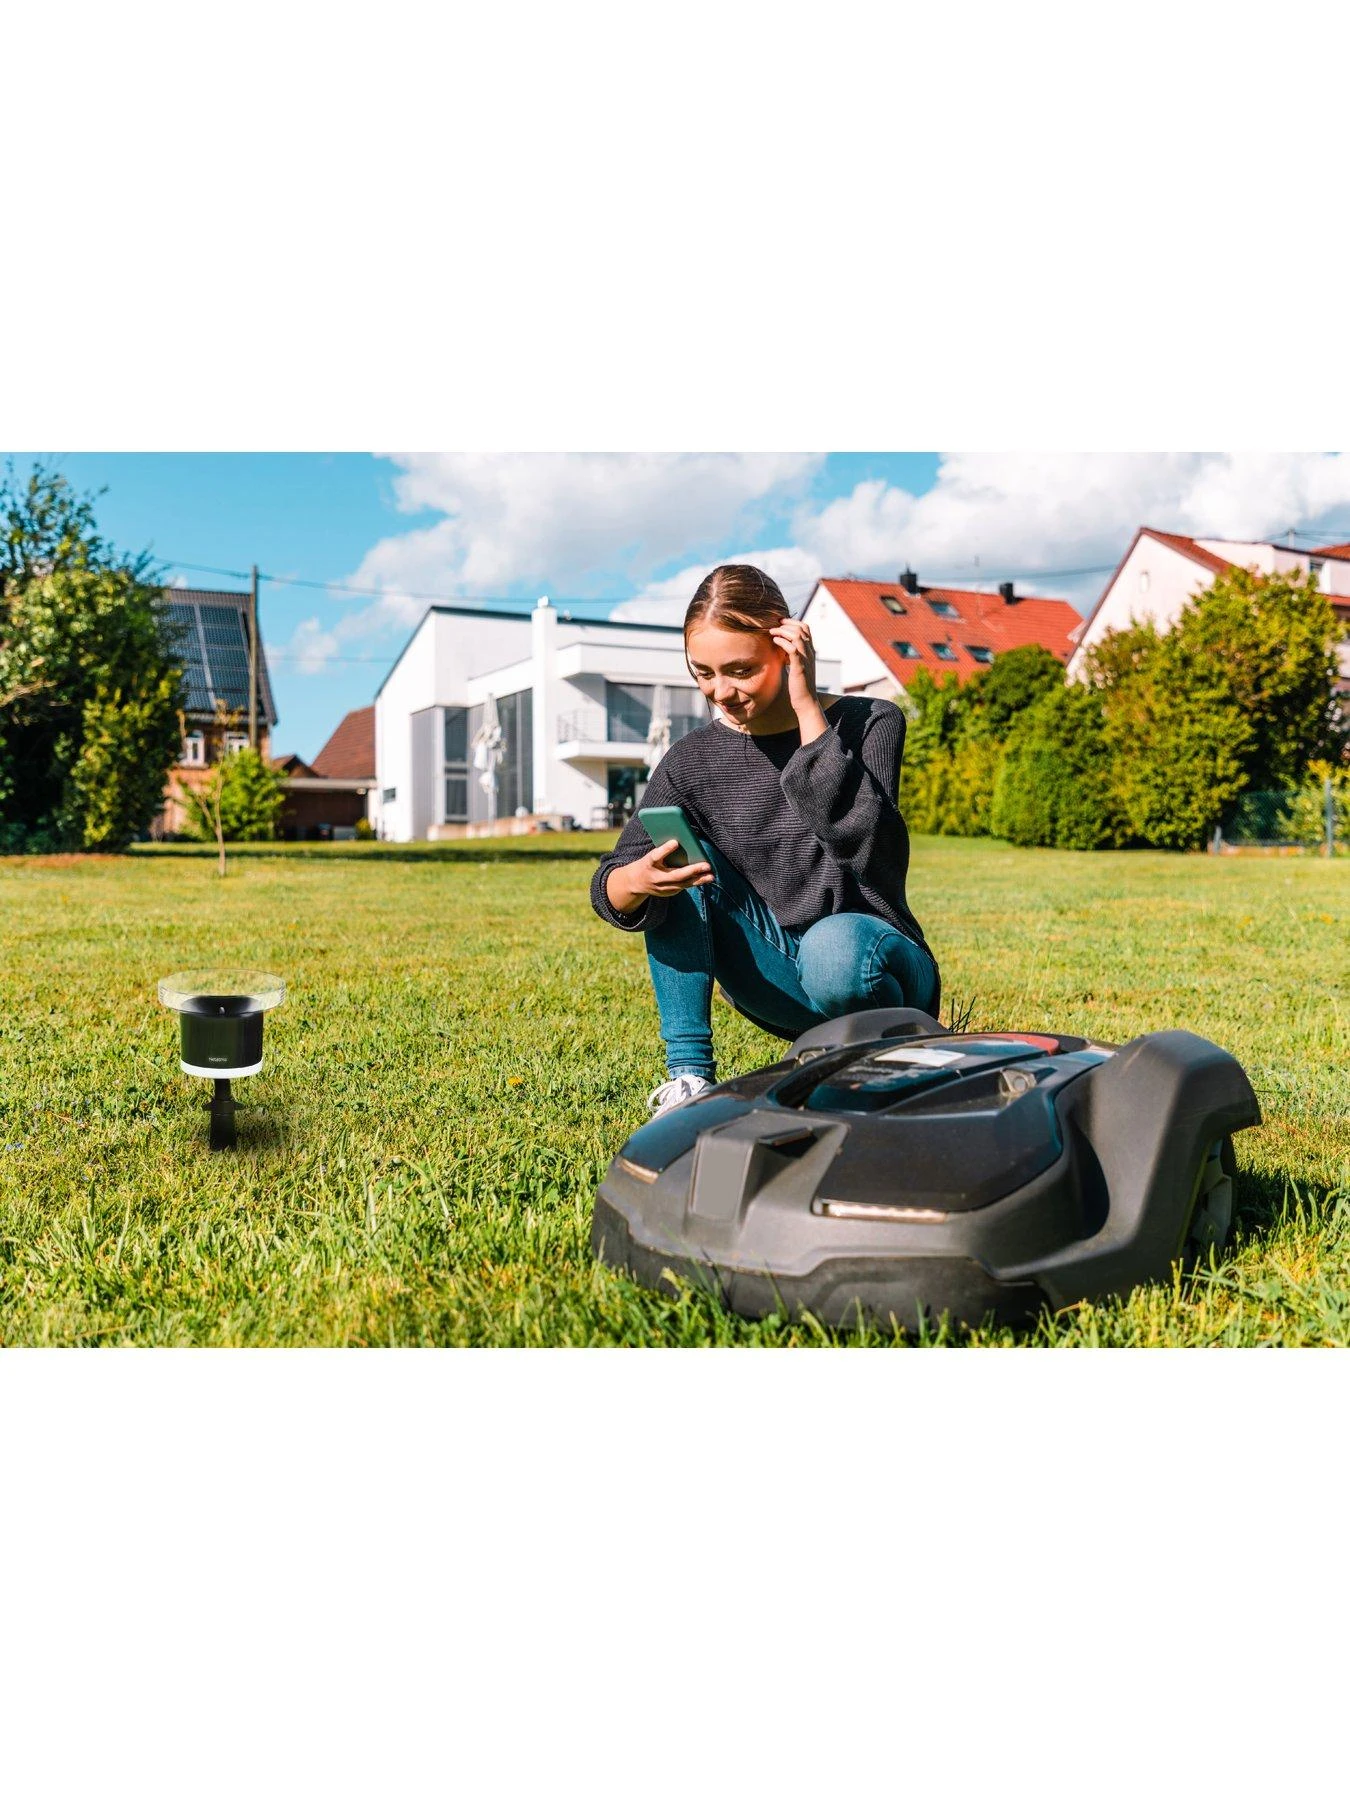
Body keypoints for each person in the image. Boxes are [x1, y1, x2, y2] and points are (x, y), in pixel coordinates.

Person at [590, 564, 941, 1116]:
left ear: (787, 645)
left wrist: (806, 709)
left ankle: (889, 1052)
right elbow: (610, 883)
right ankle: (689, 1079)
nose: (720, 692)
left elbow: (867, 847)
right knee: (678, 863)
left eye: (740, 670)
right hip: (778, 978)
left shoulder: (871, 721)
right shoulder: (689, 762)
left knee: (832, 948)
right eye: (703, 673)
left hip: (876, 964)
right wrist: (636, 880)